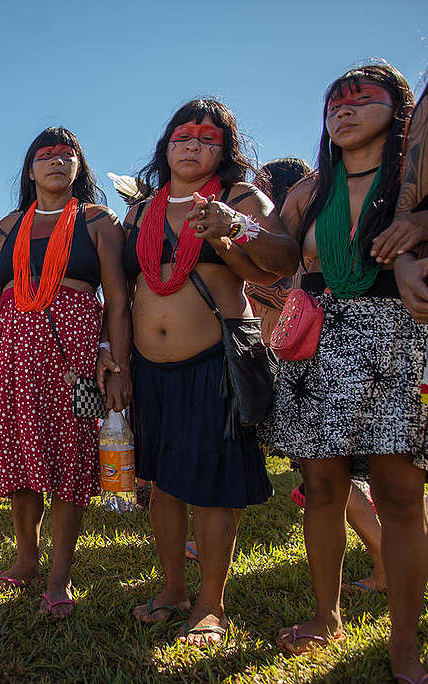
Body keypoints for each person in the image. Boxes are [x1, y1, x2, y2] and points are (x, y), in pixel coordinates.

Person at [120, 99, 299, 644]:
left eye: (207, 138)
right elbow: (127, 291)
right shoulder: (141, 210)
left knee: (214, 488)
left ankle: (211, 602)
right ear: (166, 145)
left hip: (214, 361)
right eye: (182, 135)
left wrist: (235, 228)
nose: (192, 144)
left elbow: (284, 258)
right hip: (150, 369)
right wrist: (118, 357)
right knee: (162, 485)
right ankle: (173, 589)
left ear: (224, 151)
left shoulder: (242, 198)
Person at [266, 65, 424, 680]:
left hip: (397, 337)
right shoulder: (310, 189)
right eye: (335, 101)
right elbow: (277, 250)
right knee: (324, 488)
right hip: (320, 343)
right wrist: (235, 233)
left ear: (401, 107)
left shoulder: (415, 180)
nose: (345, 109)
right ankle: (325, 615)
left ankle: (404, 643)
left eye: (363, 99)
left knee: (401, 495)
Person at [0, 127, 132, 618]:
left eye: (67, 154)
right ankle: (25, 560)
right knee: (21, 452)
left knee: (68, 457)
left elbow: (117, 299)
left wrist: (115, 363)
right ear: (30, 169)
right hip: (15, 349)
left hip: (72, 350)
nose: (57, 161)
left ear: (79, 166)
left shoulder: (99, 221)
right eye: (45, 155)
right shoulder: (11, 223)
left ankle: (60, 575)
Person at [246, 158, 314, 342]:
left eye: (260, 187)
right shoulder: (261, 237)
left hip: (289, 341)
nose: (252, 195)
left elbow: (288, 294)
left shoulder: (303, 241)